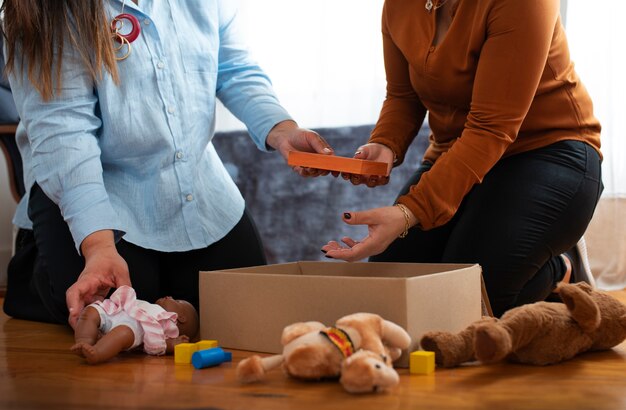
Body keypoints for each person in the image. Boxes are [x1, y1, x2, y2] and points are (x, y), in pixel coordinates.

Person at [1, 0, 333, 327]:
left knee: (243, 306)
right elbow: (65, 135)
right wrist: (98, 245)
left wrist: (282, 130)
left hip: (194, 182)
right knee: (112, 313)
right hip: (96, 192)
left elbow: (234, 69)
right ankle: (35, 267)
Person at [322, 0, 603, 317]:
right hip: (456, 153)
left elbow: (491, 128)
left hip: (548, 152)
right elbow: (403, 96)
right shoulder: (399, 6)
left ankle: (560, 268)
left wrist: (408, 211)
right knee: (395, 293)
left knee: (469, 300)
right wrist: (385, 145)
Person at [71, 285, 199, 365]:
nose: (170, 297)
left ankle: (97, 353)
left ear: (181, 317)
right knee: (89, 312)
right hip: (115, 312)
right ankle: (84, 342)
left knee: (122, 333)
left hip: (134, 327)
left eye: (176, 301)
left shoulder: (166, 322)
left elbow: (161, 343)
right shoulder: (150, 306)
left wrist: (173, 344)